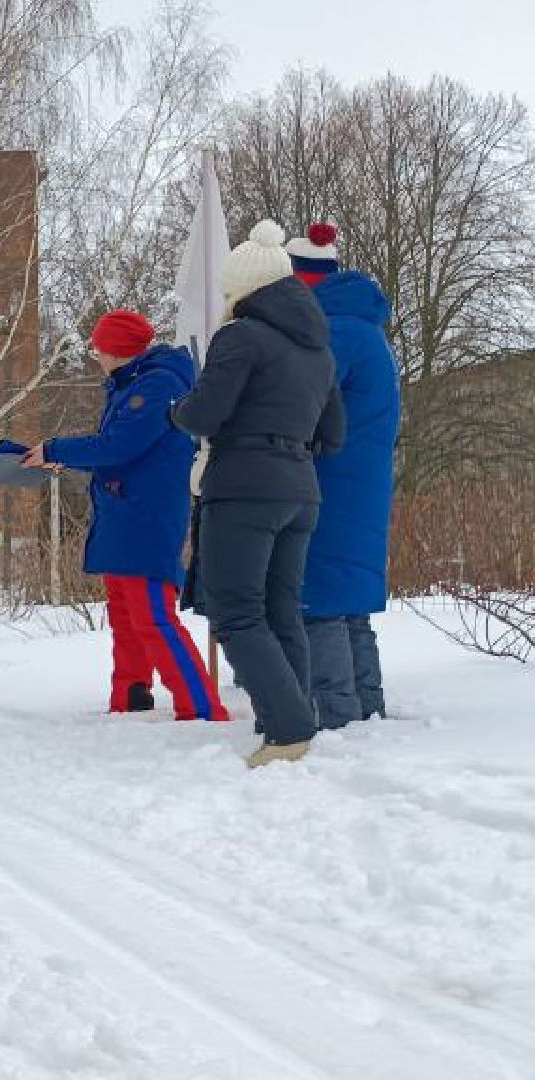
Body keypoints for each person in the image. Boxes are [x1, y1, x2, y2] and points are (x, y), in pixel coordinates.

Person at [173, 220, 345, 767]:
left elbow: (203, 412)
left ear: (243, 288)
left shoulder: (240, 335)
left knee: (236, 614)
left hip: (244, 488)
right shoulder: (317, 348)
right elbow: (334, 434)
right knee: (280, 609)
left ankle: (289, 728)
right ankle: (294, 720)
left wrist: (172, 410)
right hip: (300, 490)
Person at [23, 310, 222, 722]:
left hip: (145, 516)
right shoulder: (132, 384)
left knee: (152, 614)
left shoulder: (156, 386)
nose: (95, 354)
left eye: (99, 347)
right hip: (124, 511)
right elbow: (117, 451)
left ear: (117, 350)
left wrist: (56, 450)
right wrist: (71, 460)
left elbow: (117, 446)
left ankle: (200, 706)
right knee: (125, 612)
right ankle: (131, 694)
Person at [287, 224, 400, 730]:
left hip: (331, 478)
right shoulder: (363, 327)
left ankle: (337, 715)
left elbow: (302, 405)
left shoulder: (332, 331)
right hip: (361, 481)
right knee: (349, 602)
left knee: (320, 596)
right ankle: (366, 708)